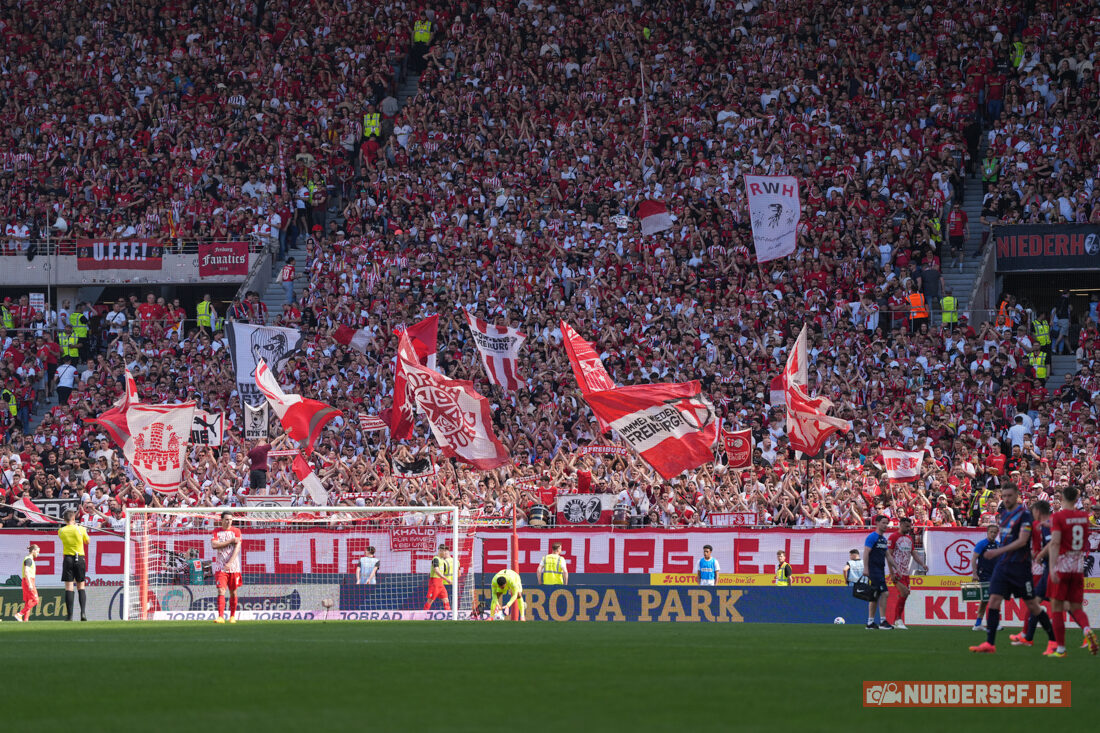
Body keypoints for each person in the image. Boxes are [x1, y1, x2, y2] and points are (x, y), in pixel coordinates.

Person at [969, 484, 1055, 653]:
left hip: (1020, 568)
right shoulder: (1004, 516)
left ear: (1017, 496)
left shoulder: (1025, 516)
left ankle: (1053, 640)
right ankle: (990, 643)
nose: (1006, 499)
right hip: (1003, 567)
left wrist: (997, 552)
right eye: (1004, 496)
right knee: (993, 600)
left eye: (1010, 496)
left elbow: (1023, 541)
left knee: (1033, 606)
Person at [1046, 486, 1098, 656]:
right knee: (1076, 607)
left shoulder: (1058, 516)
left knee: (1057, 607)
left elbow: (1054, 543)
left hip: (1062, 565)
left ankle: (1061, 648)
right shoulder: (1084, 517)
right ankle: (1086, 629)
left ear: (1062, 498)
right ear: (1077, 500)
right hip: (1078, 566)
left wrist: (1052, 567)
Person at [886, 517, 927, 630]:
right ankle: (898, 620)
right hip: (896, 572)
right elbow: (888, 555)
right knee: (904, 593)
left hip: (906, 572)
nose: (909, 528)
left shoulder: (909, 538)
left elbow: (914, 553)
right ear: (901, 525)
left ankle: (896, 620)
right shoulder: (893, 537)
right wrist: (891, 572)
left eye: (910, 526)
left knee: (904, 594)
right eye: (907, 526)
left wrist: (922, 564)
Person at [58, 509, 90, 621]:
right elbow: (87, 541)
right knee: (81, 586)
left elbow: (62, 538)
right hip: (80, 558)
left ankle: (70, 615)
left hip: (68, 559)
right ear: (73, 518)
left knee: (69, 587)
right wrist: (80, 528)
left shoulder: (61, 531)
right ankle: (83, 613)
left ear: (64, 519)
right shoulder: (81, 529)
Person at [211, 511, 243, 623]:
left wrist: (230, 563)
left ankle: (232, 616)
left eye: (230, 519)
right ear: (222, 520)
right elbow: (214, 545)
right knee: (221, 590)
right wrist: (230, 541)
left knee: (233, 592)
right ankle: (220, 617)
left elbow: (237, 548)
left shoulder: (236, 531)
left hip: (234, 567)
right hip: (220, 567)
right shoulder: (216, 531)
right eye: (226, 519)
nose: (229, 521)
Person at [863, 515, 893, 629]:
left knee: (875, 595)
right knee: (884, 593)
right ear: (877, 523)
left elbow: (888, 555)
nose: (885, 525)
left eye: (887, 523)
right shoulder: (872, 537)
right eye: (883, 523)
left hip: (880, 570)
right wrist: (866, 568)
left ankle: (870, 623)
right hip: (873, 570)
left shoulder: (883, 539)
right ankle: (882, 621)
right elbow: (866, 553)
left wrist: (896, 567)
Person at [970, 524, 999, 631]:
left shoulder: (997, 545)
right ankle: (982, 623)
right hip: (985, 575)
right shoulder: (981, 544)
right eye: (991, 532)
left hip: (995, 575)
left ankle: (980, 623)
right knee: (987, 599)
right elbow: (974, 559)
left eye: (995, 532)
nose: (993, 534)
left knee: (992, 599)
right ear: (987, 532)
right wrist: (974, 574)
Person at [14, 542, 40, 622]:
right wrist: (30, 583)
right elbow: (26, 571)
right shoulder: (28, 559)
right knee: (36, 600)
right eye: (38, 552)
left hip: (26, 580)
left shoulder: (29, 559)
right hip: (28, 580)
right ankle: (19, 614)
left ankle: (26, 620)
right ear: (33, 551)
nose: (38, 554)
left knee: (28, 601)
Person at [424, 543, 452, 611]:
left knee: (446, 599)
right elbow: (436, 571)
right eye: (444, 550)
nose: (445, 552)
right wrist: (447, 579)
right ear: (440, 550)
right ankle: (423, 615)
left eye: (446, 551)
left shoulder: (443, 560)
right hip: (435, 583)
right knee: (430, 600)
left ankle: (449, 615)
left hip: (440, 583)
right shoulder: (435, 559)